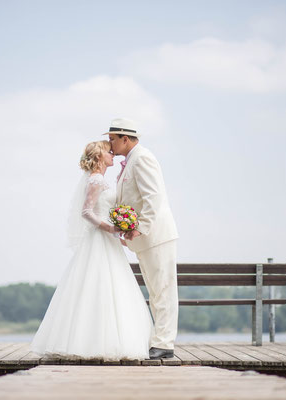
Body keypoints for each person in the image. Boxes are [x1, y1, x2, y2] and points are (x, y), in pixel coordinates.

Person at [31, 140, 152, 361]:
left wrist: (119, 231)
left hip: (108, 239)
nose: (112, 154)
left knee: (110, 285)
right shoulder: (96, 180)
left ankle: (103, 341)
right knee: (99, 285)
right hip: (99, 238)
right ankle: (94, 342)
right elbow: (86, 212)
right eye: (109, 152)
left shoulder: (100, 180)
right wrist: (110, 227)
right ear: (99, 157)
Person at [106, 118, 179, 360]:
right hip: (145, 240)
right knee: (155, 292)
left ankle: (165, 344)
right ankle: (159, 340)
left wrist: (140, 227)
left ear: (125, 139)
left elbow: (154, 198)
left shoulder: (143, 158)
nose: (110, 143)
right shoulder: (131, 162)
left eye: (112, 139)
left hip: (156, 236)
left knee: (163, 290)